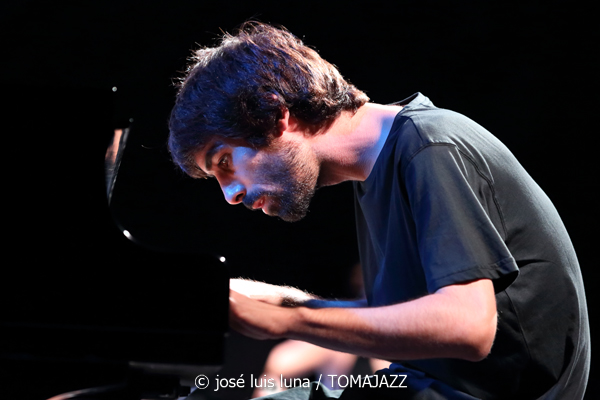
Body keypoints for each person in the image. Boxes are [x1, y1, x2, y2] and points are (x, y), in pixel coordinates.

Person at [168, 22, 590, 399]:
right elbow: (414, 319)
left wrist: (282, 322)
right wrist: (283, 303)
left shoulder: (429, 146)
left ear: (275, 114)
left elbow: (467, 327)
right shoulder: (381, 171)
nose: (230, 195)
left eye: (224, 161)